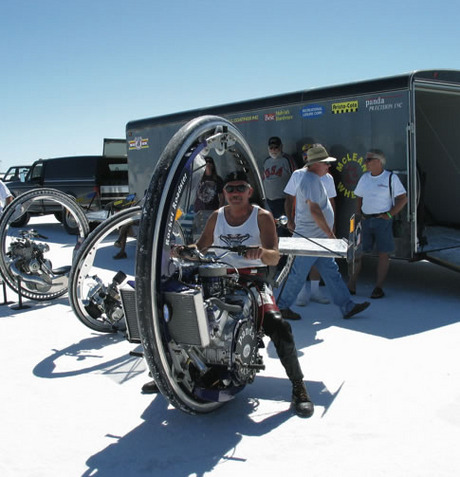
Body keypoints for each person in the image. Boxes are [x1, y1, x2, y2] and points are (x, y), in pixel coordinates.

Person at [168, 170, 314, 418]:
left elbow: (274, 255)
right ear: (223, 193)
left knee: (278, 326)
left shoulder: (262, 217)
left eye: (240, 188)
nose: (235, 193)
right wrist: (179, 251)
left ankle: (299, 386)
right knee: (177, 312)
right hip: (216, 277)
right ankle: (168, 371)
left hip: (252, 280)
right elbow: (201, 247)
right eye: (230, 188)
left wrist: (260, 252)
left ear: (249, 192)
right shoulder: (216, 216)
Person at [277, 144, 371, 321]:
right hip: (310, 239)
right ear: (316, 164)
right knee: (298, 274)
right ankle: (281, 307)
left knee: (330, 272)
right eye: (326, 163)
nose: (329, 166)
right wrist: (329, 233)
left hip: (315, 238)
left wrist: (326, 234)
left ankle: (347, 306)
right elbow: (315, 210)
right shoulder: (311, 180)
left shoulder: (311, 179)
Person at [348, 149, 408, 299]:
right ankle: (351, 284)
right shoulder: (365, 178)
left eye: (368, 160)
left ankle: (378, 287)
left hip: (383, 222)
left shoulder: (390, 178)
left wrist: (389, 214)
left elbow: (403, 198)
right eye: (366, 159)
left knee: (383, 254)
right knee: (358, 252)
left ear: (378, 161)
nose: (365, 162)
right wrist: (359, 214)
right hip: (366, 220)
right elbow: (359, 197)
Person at [284, 144, 337, 306]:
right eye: (325, 162)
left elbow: (331, 202)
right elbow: (289, 198)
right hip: (304, 228)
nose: (328, 166)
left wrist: (332, 225)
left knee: (323, 263)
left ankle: (315, 291)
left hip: (322, 229)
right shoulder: (298, 175)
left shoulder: (328, 178)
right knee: (300, 264)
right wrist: (290, 220)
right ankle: (298, 295)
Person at [261, 136, 297, 222]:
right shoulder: (266, 161)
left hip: (284, 200)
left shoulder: (287, 159)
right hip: (269, 201)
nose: (273, 150)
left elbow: (296, 177)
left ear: (281, 147)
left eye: (276, 147)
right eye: (271, 147)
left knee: (284, 228)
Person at [192, 156, 224, 239]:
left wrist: (219, 211)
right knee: (199, 232)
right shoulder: (197, 178)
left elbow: (222, 197)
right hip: (199, 210)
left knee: (212, 231)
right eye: (206, 162)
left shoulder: (218, 180)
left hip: (212, 210)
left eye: (210, 162)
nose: (208, 164)